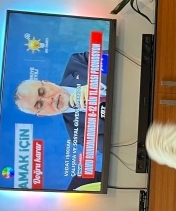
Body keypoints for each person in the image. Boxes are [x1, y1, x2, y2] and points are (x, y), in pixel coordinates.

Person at [13, 52, 107, 189]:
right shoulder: (79, 134)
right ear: (41, 115)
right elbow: (115, 144)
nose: (49, 99)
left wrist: (97, 85)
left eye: (42, 92)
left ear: (46, 82)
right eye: (39, 105)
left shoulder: (79, 62)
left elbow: (117, 60)